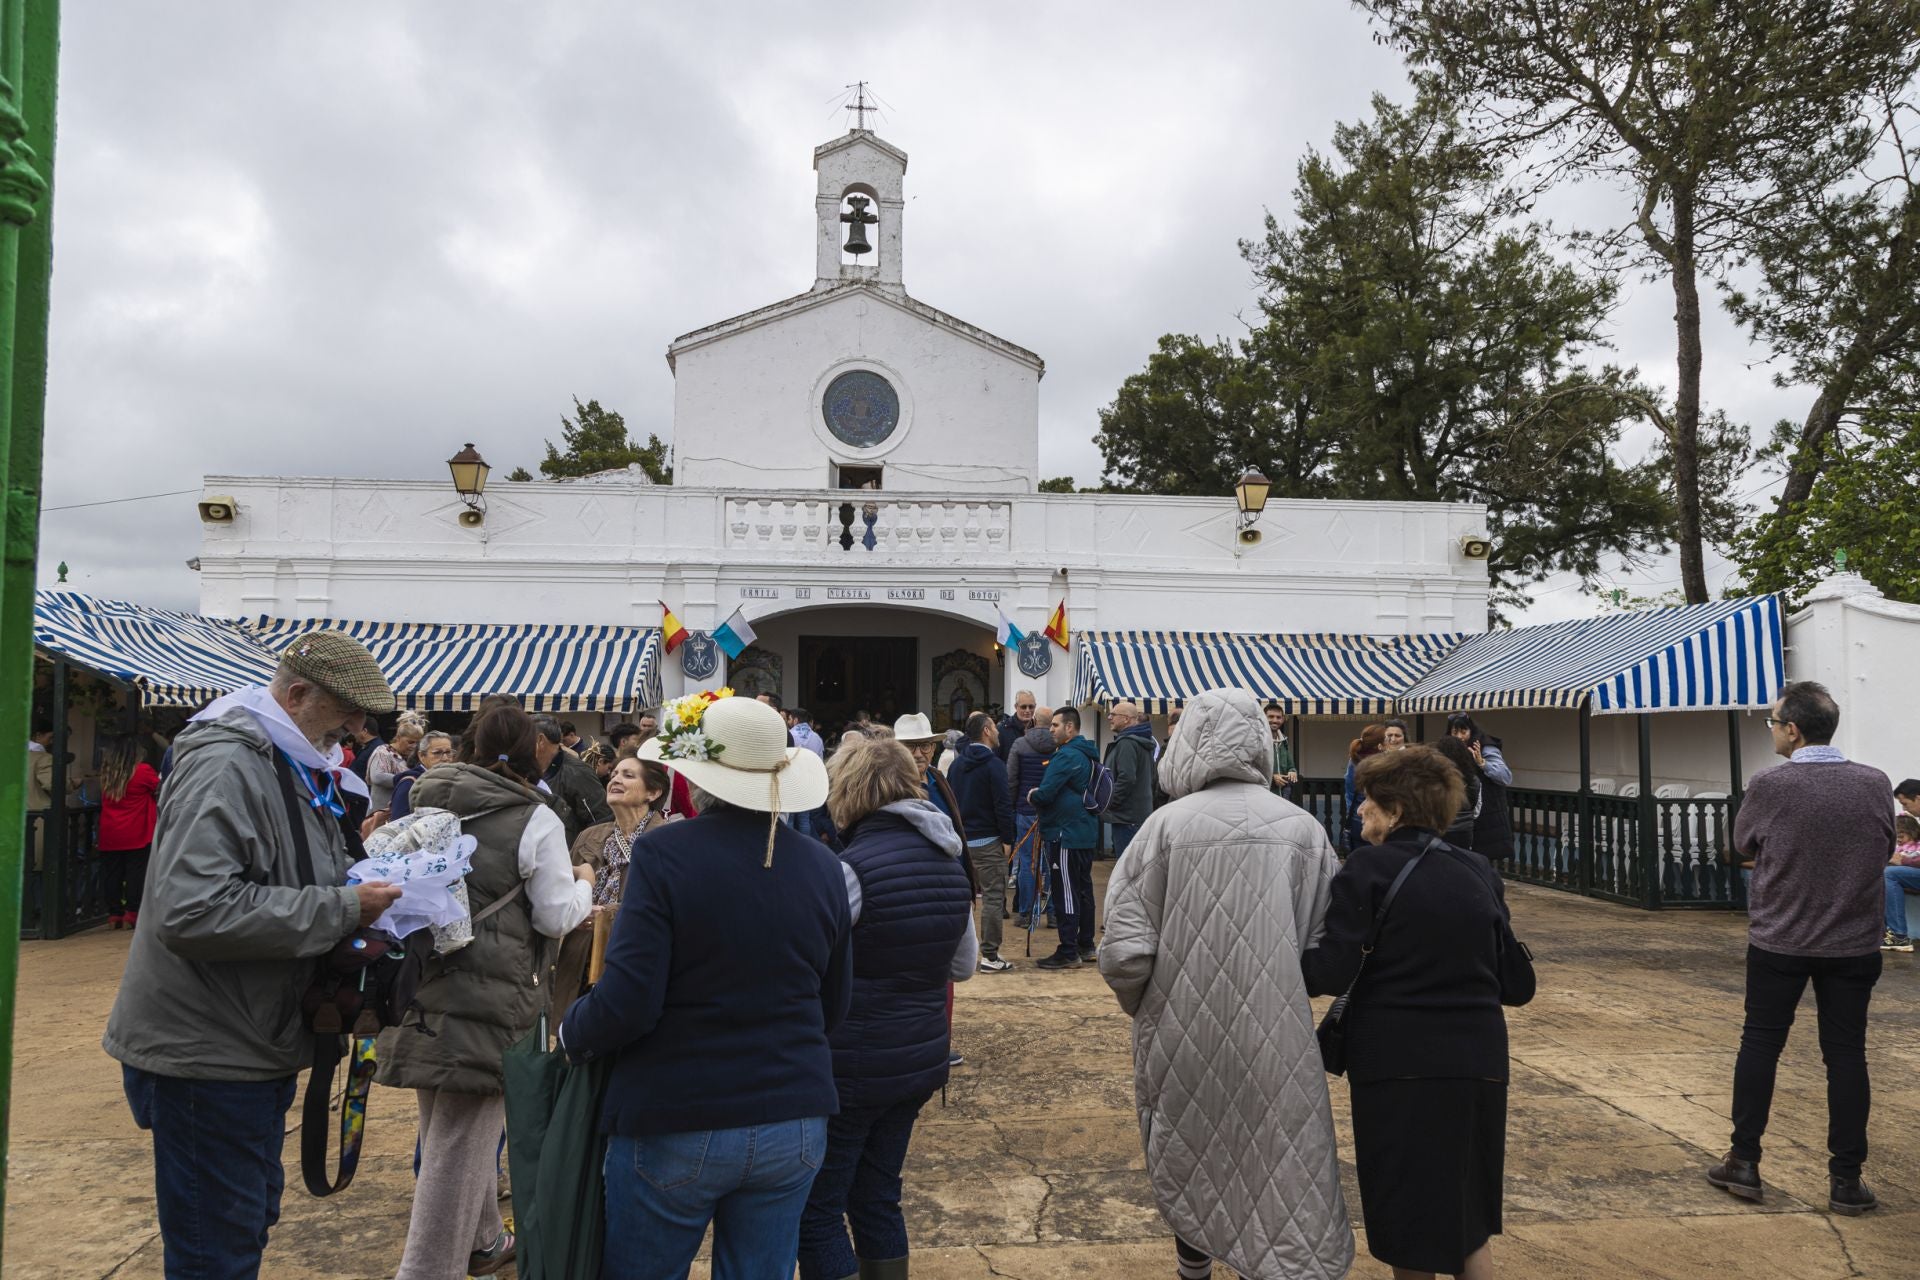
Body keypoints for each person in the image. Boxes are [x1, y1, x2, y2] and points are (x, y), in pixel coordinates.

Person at [102, 632, 404, 1279]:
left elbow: (283, 873)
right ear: (296, 695)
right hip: (207, 1049)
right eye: (346, 711)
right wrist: (343, 908)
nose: (356, 728)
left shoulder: (286, 758)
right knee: (218, 1248)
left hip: (247, 1038)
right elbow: (192, 911)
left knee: (243, 1222)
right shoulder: (229, 764)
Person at [560, 696, 850, 1279]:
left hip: (679, 1109)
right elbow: (833, 1003)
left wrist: (572, 1033)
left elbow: (629, 1000)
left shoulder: (664, 852)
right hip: (793, 1113)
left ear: (696, 777)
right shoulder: (823, 865)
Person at [1101, 688, 1353, 1280]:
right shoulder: (1303, 830)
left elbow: (1125, 953)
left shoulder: (1162, 828)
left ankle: (1194, 1269)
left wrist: (1151, 1006)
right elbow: (1325, 948)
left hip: (1181, 1033)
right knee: (1276, 1157)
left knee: (1192, 1151)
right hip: (1276, 1036)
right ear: (1261, 742)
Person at [379, 705, 595, 1280]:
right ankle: (427, 1270)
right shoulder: (534, 818)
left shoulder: (428, 798)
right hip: (494, 994)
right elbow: (555, 916)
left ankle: (482, 1240)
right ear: (535, 750)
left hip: (421, 981)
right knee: (463, 1138)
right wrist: (584, 882)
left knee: (443, 1124)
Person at [1304, 744, 1520, 1280]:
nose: (1360, 809)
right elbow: (1517, 984)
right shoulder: (1477, 868)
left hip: (1399, 1063)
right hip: (1479, 1059)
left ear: (1396, 810)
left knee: (1409, 1220)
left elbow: (1328, 973)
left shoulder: (1369, 867)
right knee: (1466, 1218)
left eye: (1369, 800)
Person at [1709, 681, 1893, 1216]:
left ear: (1792, 730)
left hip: (1780, 940)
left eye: (1773, 723)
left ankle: (1744, 1161)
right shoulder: (1875, 782)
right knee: (1847, 1054)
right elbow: (1884, 845)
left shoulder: (1771, 784)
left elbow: (1743, 844)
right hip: (1853, 943)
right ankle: (1846, 1180)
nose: (1771, 730)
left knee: (1761, 1044)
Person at [798, 737, 976, 1280]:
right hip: (919, 1056)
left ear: (847, 790)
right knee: (878, 1196)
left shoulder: (850, 869)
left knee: (817, 1211)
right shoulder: (949, 861)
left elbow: (810, 966)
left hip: (853, 1062)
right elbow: (963, 965)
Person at [555, 757, 679, 1023]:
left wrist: (609, 915)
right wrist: (575, 908)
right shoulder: (589, 836)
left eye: (628, 775)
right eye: (614, 774)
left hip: (630, 960)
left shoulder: (669, 842)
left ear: (653, 792)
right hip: (578, 960)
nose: (616, 780)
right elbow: (560, 890)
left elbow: (674, 907)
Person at [1029, 707, 1100, 970]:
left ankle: (1068, 951)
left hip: (1065, 834)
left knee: (1066, 891)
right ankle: (1086, 944)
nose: (1050, 729)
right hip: (1084, 832)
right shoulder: (1087, 753)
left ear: (1069, 728)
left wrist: (1032, 795)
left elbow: (1046, 794)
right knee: (1083, 890)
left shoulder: (1066, 755)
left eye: (1055, 725)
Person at [949, 711, 1016, 972]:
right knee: (993, 898)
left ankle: (957, 953)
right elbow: (1003, 805)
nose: (999, 731)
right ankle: (990, 956)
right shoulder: (994, 765)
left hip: (962, 842)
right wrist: (1008, 839)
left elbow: (951, 803)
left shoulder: (956, 765)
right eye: (995, 728)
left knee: (961, 899)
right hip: (989, 841)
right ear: (986, 731)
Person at [97, 734, 161, 930]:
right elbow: (160, 788)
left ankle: (114, 914)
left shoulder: (107, 772)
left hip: (110, 830)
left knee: (112, 874)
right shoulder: (142, 770)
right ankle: (131, 913)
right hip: (137, 830)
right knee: (136, 873)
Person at [1005, 704, 1055, 928]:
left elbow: (1011, 780)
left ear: (1034, 720)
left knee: (1028, 862)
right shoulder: (1059, 745)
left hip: (1026, 811)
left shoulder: (1020, 744)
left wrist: (1013, 805)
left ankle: (1025, 913)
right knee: (1052, 862)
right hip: (1052, 812)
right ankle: (1053, 914)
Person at [534, 714, 614, 846]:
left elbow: (601, 823)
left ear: (540, 740)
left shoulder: (578, 773)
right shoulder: (527, 770)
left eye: (522, 738)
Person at [893, 713, 969, 843]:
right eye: (910, 746)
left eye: (925, 746)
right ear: (897, 751)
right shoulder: (890, 789)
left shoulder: (939, 779)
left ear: (933, 749)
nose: (918, 754)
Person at [1449, 713, 1515, 863]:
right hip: (1464, 820)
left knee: (1483, 862)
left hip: (1488, 817)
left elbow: (1506, 776)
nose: (1459, 737)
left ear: (1471, 731)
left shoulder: (1485, 747)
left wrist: (1482, 763)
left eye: (1463, 732)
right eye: (1455, 732)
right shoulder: (1451, 750)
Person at [1102, 700, 1158, 861]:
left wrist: (1110, 801)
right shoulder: (1141, 742)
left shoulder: (1127, 743)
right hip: (1137, 816)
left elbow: (1127, 778)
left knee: (1127, 869)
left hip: (1126, 819)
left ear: (1126, 719)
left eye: (1113, 715)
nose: (1109, 718)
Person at [389, 730, 455, 821]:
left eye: (448, 752)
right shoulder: (409, 784)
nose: (445, 758)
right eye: (437, 753)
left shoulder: (451, 779)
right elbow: (398, 822)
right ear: (421, 756)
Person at [367, 713, 425, 813]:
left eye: (417, 743)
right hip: (381, 813)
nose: (414, 746)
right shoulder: (383, 752)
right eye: (410, 742)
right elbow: (377, 777)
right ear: (398, 738)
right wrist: (408, 780)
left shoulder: (414, 756)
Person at [1433, 735, 1483, 847]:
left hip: (1439, 830)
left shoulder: (1434, 778)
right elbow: (1476, 811)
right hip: (1464, 833)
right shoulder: (1474, 780)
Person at [1344, 725, 1387, 850]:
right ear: (1379, 744)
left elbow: (1349, 791)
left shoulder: (1354, 759)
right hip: (1378, 819)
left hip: (1356, 818)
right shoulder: (1382, 762)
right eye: (1387, 738)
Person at [1882, 815, 1920, 952]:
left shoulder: (1916, 848)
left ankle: (1898, 934)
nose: (1898, 839)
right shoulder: (1899, 848)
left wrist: (1903, 861)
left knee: (1888, 874)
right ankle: (1884, 931)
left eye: (1901, 836)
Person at [1263, 702, 1298, 803]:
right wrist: (1272, 777)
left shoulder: (1284, 742)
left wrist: (1292, 772)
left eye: (1278, 717)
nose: (1275, 720)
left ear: (1282, 719)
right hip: (1264, 796)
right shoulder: (1258, 740)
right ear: (1263, 718)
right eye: (1271, 717)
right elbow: (1252, 769)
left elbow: (1291, 766)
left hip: (1283, 797)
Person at [996, 689, 1037, 763]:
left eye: (1031, 707)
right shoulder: (1002, 730)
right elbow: (996, 759)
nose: (1027, 710)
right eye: (1023, 707)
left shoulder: (1038, 729)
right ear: (1016, 706)